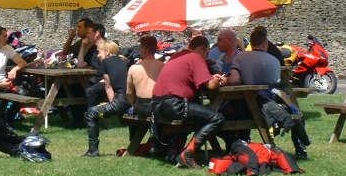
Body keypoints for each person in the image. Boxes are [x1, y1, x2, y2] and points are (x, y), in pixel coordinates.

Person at [221, 26, 311, 159]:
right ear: (266, 43)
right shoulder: (274, 60)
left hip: (243, 107)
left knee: (222, 110)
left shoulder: (240, 58)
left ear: (251, 43)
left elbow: (234, 81)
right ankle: (300, 147)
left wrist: (224, 79)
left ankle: (240, 145)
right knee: (293, 107)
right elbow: (278, 84)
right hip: (267, 104)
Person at [152, 36, 225, 168]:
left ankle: (174, 152)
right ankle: (188, 153)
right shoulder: (195, 57)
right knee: (217, 118)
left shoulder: (177, 56)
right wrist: (220, 80)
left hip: (158, 105)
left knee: (197, 115)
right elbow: (211, 86)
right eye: (207, 53)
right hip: (174, 104)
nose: (206, 57)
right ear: (203, 49)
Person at [83, 40, 130, 156]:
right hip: (132, 100)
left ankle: (93, 151)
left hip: (121, 100)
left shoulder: (106, 62)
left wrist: (112, 106)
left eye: (99, 51)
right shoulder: (126, 61)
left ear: (107, 51)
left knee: (91, 113)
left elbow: (108, 87)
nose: (98, 55)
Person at [126, 35, 165, 119]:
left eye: (140, 48)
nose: (139, 50)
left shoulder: (134, 68)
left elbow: (129, 93)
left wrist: (133, 104)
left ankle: (136, 132)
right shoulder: (163, 66)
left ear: (145, 50)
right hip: (158, 106)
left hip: (141, 106)